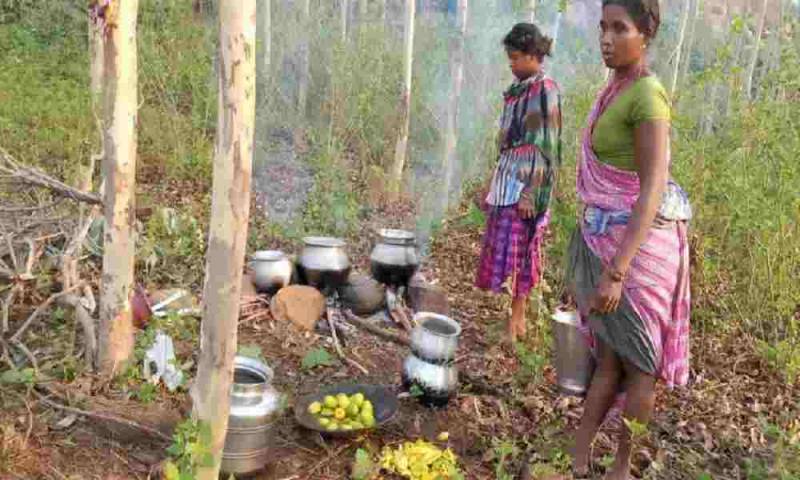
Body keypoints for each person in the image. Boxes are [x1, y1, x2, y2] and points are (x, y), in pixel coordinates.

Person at [567, 0, 693, 478]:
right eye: (602, 27)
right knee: (610, 359)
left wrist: (617, 271)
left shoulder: (648, 96)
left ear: (647, 32)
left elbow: (651, 189)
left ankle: (620, 468)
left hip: (639, 255)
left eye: (620, 28)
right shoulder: (614, 89)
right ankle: (578, 457)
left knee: (640, 368)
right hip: (611, 243)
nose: (606, 37)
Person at [475, 23, 562, 345]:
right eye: (509, 58)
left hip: (526, 182)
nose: (510, 64)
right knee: (506, 249)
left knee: (520, 252)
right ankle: (514, 321)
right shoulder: (518, 90)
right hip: (508, 176)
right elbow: (507, 142)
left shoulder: (544, 90)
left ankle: (516, 320)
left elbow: (545, 145)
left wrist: (532, 193)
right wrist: (493, 180)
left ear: (532, 56)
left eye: (515, 58)